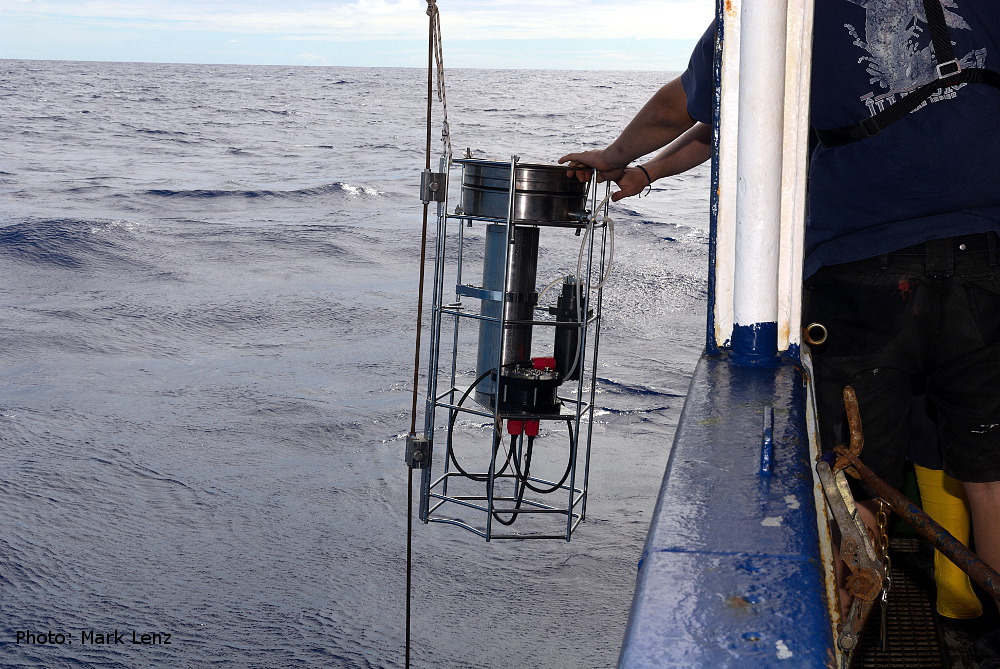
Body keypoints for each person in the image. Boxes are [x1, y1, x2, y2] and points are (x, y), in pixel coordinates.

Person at [560, 0, 1000, 637]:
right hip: (986, 263)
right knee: (989, 477)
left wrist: (615, 154)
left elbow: (687, 105)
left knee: (858, 478)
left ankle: (854, 642)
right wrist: (648, 171)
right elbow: (720, 123)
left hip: (862, 271)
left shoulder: (795, 7)